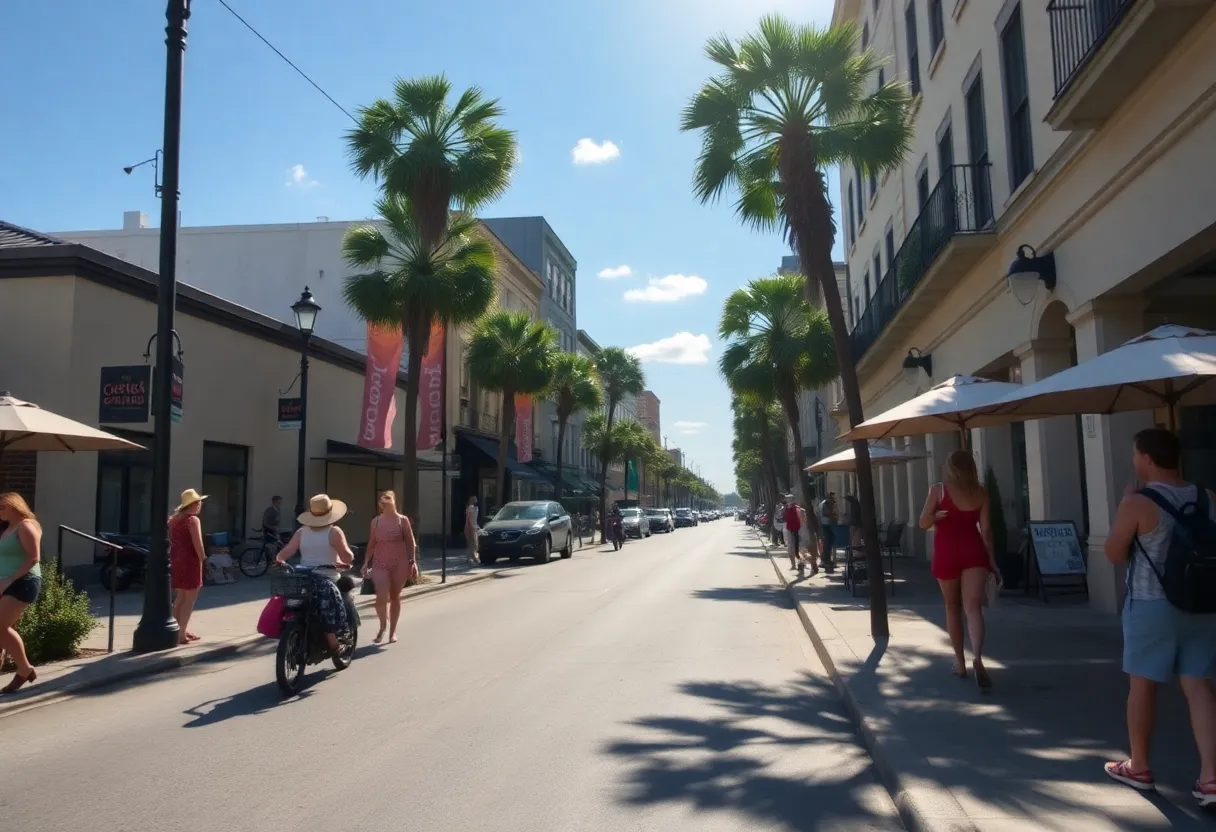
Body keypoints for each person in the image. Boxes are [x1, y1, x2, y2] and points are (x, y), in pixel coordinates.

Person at [1101, 428, 1216, 804]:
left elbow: (1115, 554)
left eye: (1136, 454)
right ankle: (1211, 778)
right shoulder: (1208, 497)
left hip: (1152, 605)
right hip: (1202, 603)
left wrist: (1125, 504)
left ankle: (1140, 766)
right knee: (1199, 686)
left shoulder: (1137, 503)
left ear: (1147, 458)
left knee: (1143, 684)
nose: (1134, 460)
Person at [919, 450, 999, 690]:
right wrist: (992, 562)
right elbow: (986, 532)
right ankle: (977, 657)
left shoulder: (939, 490)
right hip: (974, 552)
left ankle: (960, 663)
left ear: (951, 468)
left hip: (947, 553)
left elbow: (923, 523)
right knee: (973, 609)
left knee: (952, 607)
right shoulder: (981, 492)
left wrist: (935, 516)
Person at [275, 494, 355, 656]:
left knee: (296, 600)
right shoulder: (334, 531)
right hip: (327, 576)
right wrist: (345, 560)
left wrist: (279, 559)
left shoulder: (301, 532)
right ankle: (330, 642)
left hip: (304, 577)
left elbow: (288, 550)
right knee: (317, 604)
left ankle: (327, 642)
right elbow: (348, 556)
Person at [0, 493, 42, 693]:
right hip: (5, 582)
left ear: (14, 506)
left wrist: (9, 580)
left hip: (23, 582)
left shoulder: (26, 526)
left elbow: (33, 558)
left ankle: (25, 669)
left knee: (0, 626)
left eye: (2, 508)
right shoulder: (8, 529)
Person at [363, 490, 418, 644]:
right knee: (381, 595)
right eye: (382, 499)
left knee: (395, 596)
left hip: (399, 561)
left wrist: (412, 561)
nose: (385, 501)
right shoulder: (376, 521)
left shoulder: (402, 520)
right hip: (380, 561)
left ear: (394, 502)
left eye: (388, 499)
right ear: (380, 504)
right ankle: (382, 627)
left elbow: (410, 541)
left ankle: (392, 632)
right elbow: (372, 543)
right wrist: (366, 562)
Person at [169, 489, 208, 645]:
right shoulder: (193, 520)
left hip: (176, 560)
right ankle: (181, 634)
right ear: (192, 504)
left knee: (180, 598)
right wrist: (203, 559)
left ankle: (175, 630)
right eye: (198, 502)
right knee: (189, 599)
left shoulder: (173, 519)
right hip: (190, 561)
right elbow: (197, 544)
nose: (200, 505)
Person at [782, 495, 803, 573]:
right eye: (787, 499)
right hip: (790, 529)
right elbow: (784, 518)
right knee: (792, 549)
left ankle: (799, 564)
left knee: (797, 548)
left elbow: (801, 519)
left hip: (796, 530)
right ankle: (794, 565)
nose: (787, 500)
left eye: (789, 499)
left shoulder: (797, 508)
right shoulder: (787, 508)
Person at [464, 495, 480, 565]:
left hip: (473, 526)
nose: (476, 500)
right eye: (474, 499)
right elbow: (469, 519)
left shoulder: (471, 508)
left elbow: (472, 519)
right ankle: (474, 558)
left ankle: (469, 558)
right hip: (472, 527)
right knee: (474, 544)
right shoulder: (471, 508)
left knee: (471, 544)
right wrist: (469, 527)